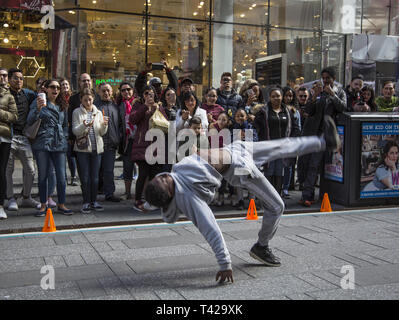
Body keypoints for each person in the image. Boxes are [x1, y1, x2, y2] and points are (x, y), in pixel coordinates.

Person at [144, 115, 341, 283]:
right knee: (277, 206)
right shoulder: (186, 197)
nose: (164, 176)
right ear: (170, 193)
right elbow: (209, 226)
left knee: (281, 145)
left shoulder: (172, 176)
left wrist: (146, 203)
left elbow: (159, 194)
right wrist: (224, 263)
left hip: (236, 149)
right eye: (163, 181)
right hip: (239, 170)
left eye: (160, 177)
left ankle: (325, 142)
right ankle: (261, 246)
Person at [298, 67, 347, 207]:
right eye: (323, 78)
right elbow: (308, 111)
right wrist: (313, 97)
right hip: (311, 132)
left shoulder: (339, 92)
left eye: (328, 78)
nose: (325, 81)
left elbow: (343, 108)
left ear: (334, 79)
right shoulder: (318, 92)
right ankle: (306, 193)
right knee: (305, 163)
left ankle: (307, 195)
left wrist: (332, 95)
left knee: (314, 164)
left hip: (326, 134)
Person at [27, 79, 72, 217]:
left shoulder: (62, 104)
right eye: (52, 87)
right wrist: (38, 110)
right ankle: (43, 205)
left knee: (61, 176)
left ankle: (62, 204)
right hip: (42, 142)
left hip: (59, 143)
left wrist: (64, 137)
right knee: (43, 176)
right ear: (45, 88)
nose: (56, 90)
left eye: (58, 87)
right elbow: (29, 120)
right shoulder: (39, 101)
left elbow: (65, 125)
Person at [254, 86, 300, 197]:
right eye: (273, 96)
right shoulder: (263, 112)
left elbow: (295, 128)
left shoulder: (289, 111)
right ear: (269, 97)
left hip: (282, 147)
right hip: (268, 147)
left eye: (278, 96)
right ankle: (268, 197)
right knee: (269, 171)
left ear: (282, 97)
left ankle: (277, 196)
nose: (276, 98)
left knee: (280, 171)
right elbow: (256, 128)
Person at [6, 68, 40, 212]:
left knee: (30, 170)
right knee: (8, 169)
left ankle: (26, 196)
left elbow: (40, 96)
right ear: (9, 80)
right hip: (9, 136)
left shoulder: (28, 94)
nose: (18, 81)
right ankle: (10, 198)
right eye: (15, 78)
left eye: (20, 78)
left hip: (24, 137)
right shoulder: (5, 95)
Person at [129, 85, 167, 212]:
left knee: (154, 175)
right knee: (143, 173)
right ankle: (137, 200)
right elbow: (132, 119)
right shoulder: (138, 105)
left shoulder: (159, 106)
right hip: (142, 145)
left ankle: (151, 200)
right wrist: (145, 106)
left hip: (156, 145)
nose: (149, 96)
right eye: (146, 93)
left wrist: (158, 110)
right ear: (142, 95)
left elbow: (166, 123)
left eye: (151, 93)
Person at [72, 88, 108, 213]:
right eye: (85, 99)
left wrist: (104, 125)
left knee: (95, 178)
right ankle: (86, 202)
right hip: (82, 149)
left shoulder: (98, 112)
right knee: (85, 177)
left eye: (90, 99)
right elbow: (75, 131)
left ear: (93, 99)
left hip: (96, 149)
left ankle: (94, 201)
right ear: (81, 99)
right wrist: (84, 125)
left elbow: (102, 132)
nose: (88, 102)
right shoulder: (76, 112)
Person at [96, 83, 122, 202]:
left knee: (108, 171)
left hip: (111, 144)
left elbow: (120, 125)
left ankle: (109, 193)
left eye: (108, 91)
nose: (106, 93)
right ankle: (92, 194)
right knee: (95, 171)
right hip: (97, 143)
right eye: (103, 91)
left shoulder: (116, 107)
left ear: (112, 92)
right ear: (99, 92)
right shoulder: (95, 106)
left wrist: (118, 138)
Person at [230, 107, 258, 210]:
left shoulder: (250, 128)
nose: (240, 118)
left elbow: (254, 141)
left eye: (242, 115)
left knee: (251, 180)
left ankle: (252, 201)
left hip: (249, 157)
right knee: (239, 179)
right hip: (238, 157)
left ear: (246, 117)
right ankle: (240, 200)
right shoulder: (233, 128)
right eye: (237, 116)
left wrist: (245, 138)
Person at [0, 68, 18, 219]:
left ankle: (0, 205)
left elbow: (14, 116)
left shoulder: (9, 96)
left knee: (1, 171)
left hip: (3, 137)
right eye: (0, 75)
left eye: (5, 75)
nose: (2, 78)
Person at [117, 82, 138, 200]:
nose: (126, 92)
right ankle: (127, 192)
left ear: (133, 90)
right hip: (127, 140)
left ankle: (141, 193)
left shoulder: (138, 103)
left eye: (128, 89)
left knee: (143, 168)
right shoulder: (120, 105)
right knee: (127, 166)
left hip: (140, 139)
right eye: (123, 90)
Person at [281, 86, 301, 199]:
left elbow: (297, 128)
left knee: (288, 166)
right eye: (286, 95)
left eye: (291, 96)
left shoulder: (295, 111)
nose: (288, 98)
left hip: (290, 142)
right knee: (278, 166)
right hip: (279, 142)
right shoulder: (278, 109)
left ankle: (285, 188)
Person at [60, 78, 78, 186]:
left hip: (71, 130)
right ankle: (63, 177)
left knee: (71, 156)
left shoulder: (73, 99)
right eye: (63, 85)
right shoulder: (58, 100)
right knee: (62, 155)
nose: (65, 86)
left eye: (67, 84)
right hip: (62, 130)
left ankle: (73, 176)